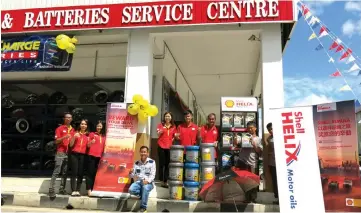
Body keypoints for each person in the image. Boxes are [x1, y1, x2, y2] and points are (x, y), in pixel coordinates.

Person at [235, 121, 263, 203]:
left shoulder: (258, 139)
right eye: (248, 128)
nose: (250, 129)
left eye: (252, 128)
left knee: (253, 181)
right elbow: (236, 145)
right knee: (244, 181)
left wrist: (253, 143)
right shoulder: (244, 137)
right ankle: (246, 198)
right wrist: (236, 139)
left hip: (252, 163)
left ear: (255, 128)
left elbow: (259, 152)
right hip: (242, 162)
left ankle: (253, 198)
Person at [49, 112, 75, 198]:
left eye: (70, 117)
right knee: (56, 171)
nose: (68, 119)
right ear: (64, 119)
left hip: (68, 153)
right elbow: (56, 141)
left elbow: (71, 144)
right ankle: (51, 190)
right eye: (67, 117)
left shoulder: (72, 130)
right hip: (60, 152)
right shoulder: (59, 128)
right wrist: (64, 137)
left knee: (65, 172)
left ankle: (62, 189)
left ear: (71, 119)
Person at [129, 146, 156, 213]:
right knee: (131, 190)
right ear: (140, 152)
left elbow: (153, 175)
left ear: (147, 153)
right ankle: (143, 194)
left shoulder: (152, 162)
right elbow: (132, 176)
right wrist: (130, 172)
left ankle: (143, 208)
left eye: (145, 152)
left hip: (149, 183)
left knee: (145, 188)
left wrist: (147, 181)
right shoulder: (136, 163)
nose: (143, 153)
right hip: (139, 182)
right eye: (142, 152)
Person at [69, 119, 89, 196]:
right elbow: (70, 145)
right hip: (74, 154)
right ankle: (73, 190)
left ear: (87, 126)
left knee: (80, 173)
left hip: (83, 155)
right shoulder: (75, 133)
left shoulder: (88, 135)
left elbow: (88, 147)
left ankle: (78, 190)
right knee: (74, 172)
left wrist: (90, 143)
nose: (83, 125)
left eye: (85, 124)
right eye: (82, 124)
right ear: (80, 125)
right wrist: (74, 137)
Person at [86, 121, 106, 196]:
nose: (99, 127)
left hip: (100, 158)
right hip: (91, 156)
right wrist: (91, 142)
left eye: (100, 126)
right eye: (98, 126)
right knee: (90, 174)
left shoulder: (104, 136)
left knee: (96, 174)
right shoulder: (92, 134)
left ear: (103, 127)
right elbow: (87, 146)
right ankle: (89, 190)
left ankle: (95, 189)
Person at [156, 112, 176, 188]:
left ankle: (166, 181)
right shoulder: (160, 125)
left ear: (171, 118)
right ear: (164, 117)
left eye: (169, 116)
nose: (167, 117)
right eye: (166, 116)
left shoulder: (173, 126)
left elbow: (175, 135)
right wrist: (160, 132)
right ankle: (161, 180)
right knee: (162, 164)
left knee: (168, 165)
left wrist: (172, 139)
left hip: (169, 147)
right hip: (161, 146)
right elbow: (158, 133)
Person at [265, 122, 278, 204]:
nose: (271, 131)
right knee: (274, 180)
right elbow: (269, 150)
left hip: (281, 163)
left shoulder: (282, 136)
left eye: (272, 129)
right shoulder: (269, 139)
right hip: (272, 163)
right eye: (269, 130)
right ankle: (277, 198)